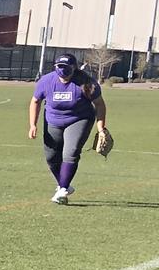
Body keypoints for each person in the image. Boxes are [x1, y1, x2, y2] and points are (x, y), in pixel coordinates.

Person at [28, 53, 110, 203]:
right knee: (51, 157)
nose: (63, 70)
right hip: (53, 120)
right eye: (60, 67)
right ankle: (63, 184)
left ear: (74, 68)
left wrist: (101, 128)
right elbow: (35, 101)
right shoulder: (46, 81)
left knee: (70, 152)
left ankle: (63, 190)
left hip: (79, 119)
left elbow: (99, 104)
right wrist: (33, 124)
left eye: (66, 67)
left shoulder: (86, 82)